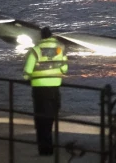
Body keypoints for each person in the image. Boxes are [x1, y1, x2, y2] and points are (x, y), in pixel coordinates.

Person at [23, 27, 68, 156]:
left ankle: (44, 149)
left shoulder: (35, 50)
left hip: (39, 89)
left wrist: (27, 78)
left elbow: (28, 70)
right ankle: (49, 146)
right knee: (50, 118)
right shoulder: (60, 49)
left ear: (41, 37)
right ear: (52, 36)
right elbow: (64, 68)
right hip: (55, 88)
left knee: (40, 119)